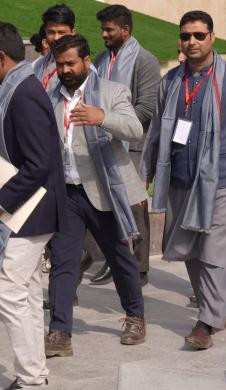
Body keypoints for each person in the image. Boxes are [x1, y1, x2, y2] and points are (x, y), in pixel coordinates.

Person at [144, 11, 226, 350]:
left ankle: (206, 322)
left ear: (212, 38)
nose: (192, 42)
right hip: (181, 180)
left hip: (224, 181)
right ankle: (216, 310)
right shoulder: (171, 81)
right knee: (190, 249)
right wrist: (144, 176)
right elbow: (156, 132)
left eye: (199, 35)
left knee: (216, 251)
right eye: (185, 36)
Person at [0, 22, 66, 390]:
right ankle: (34, 376)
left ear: (0, 57)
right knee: (24, 292)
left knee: (8, 293)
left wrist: (1, 201)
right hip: (28, 209)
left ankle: (31, 379)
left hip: (31, 211)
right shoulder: (19, 86)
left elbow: (39, 163)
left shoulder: (23, 92)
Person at [41, 34, 149, 359]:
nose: (65, 70)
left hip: (103, 191)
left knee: (119, 257)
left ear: (87, 61)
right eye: (60, 64)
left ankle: (135, 316)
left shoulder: (112, 92)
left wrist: (102, 118)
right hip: (66, 193)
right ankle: (60, 332)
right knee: (63, 262)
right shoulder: (50, 96)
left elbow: (135, 129)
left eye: (71, 63)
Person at [90, 4, 162, 285]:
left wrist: (114, 123)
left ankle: (139, 268)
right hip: (102, 139)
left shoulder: (145, 60)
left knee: (135, 204)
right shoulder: (100, 59)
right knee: (107, 202)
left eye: (109, 30)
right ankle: (115, 260)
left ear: (126, 30)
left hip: (133, 143)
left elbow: (147, 107)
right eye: (102, 29)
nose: (104, 34)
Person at [33, 4, 76, 91]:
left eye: (61, 32)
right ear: (45, 32)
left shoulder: (83, 69)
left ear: (72, 33)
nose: (56, 38)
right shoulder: (38, 65)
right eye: (51, 32)